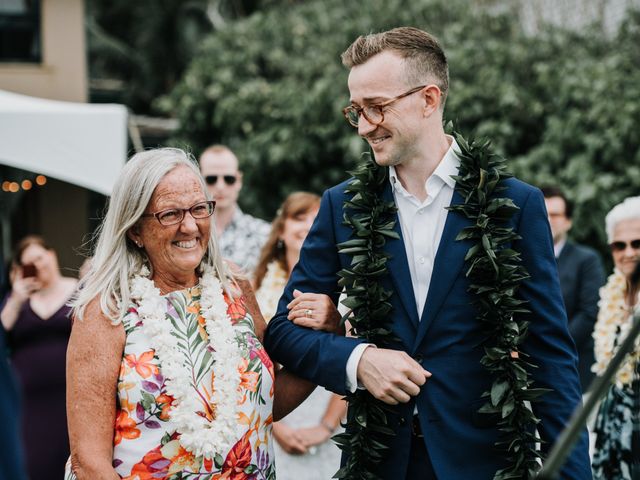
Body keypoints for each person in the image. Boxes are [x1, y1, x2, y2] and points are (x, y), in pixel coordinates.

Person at [263, 27, 592, 479]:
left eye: (377, 107)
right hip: (378, 460)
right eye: (356, 111)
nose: (363, 126)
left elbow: (550, 357)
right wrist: (359, 360)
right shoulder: (342, 206)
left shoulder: (516, 205)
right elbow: (282, 332)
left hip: (481, 461)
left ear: (429, 99)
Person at [64, 148, 338, 480]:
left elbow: (268, 401)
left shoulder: (234, 286)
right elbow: (89, 463)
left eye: (198, 209)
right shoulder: (106, 307)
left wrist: (329, 337)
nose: (190, 226)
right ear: (135, 229)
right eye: (170, 214)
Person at [254, 192, 346, 479]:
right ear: (281, 229)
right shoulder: (254, 286)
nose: (308, 225)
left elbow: (353, 358)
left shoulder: (343, 287)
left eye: (316, 218)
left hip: (328, 412)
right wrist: (273, 424)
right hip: (269, 415)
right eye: (299, 217)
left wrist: (326, 426)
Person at [1, 235, 77, 480]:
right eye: (29, 263)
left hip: (71, 397)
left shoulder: (80, 289)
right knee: (33, 462)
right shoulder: (17, 301)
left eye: (39, 258)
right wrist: (16, 299)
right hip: (29, 403)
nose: (38, 265)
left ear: (51, 255)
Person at [591, 196, 640, 479]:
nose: (629, 252)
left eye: (637, 243)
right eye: (619, 245)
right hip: (614, 418)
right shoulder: (612, 294)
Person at [542, 186, 605, 392]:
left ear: (568, 221)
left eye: (555, 214)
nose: (548, 219)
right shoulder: (518, 259)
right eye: (543, 213)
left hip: (575, 372)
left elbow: (589, 312)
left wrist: (551, 349)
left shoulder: (586, 260)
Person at [199, 144, 270, 274]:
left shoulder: (264, 233)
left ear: (239, 180)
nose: (220, 186)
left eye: (229, 179)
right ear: (199, 180)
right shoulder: (188, 233)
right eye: (211, 179)